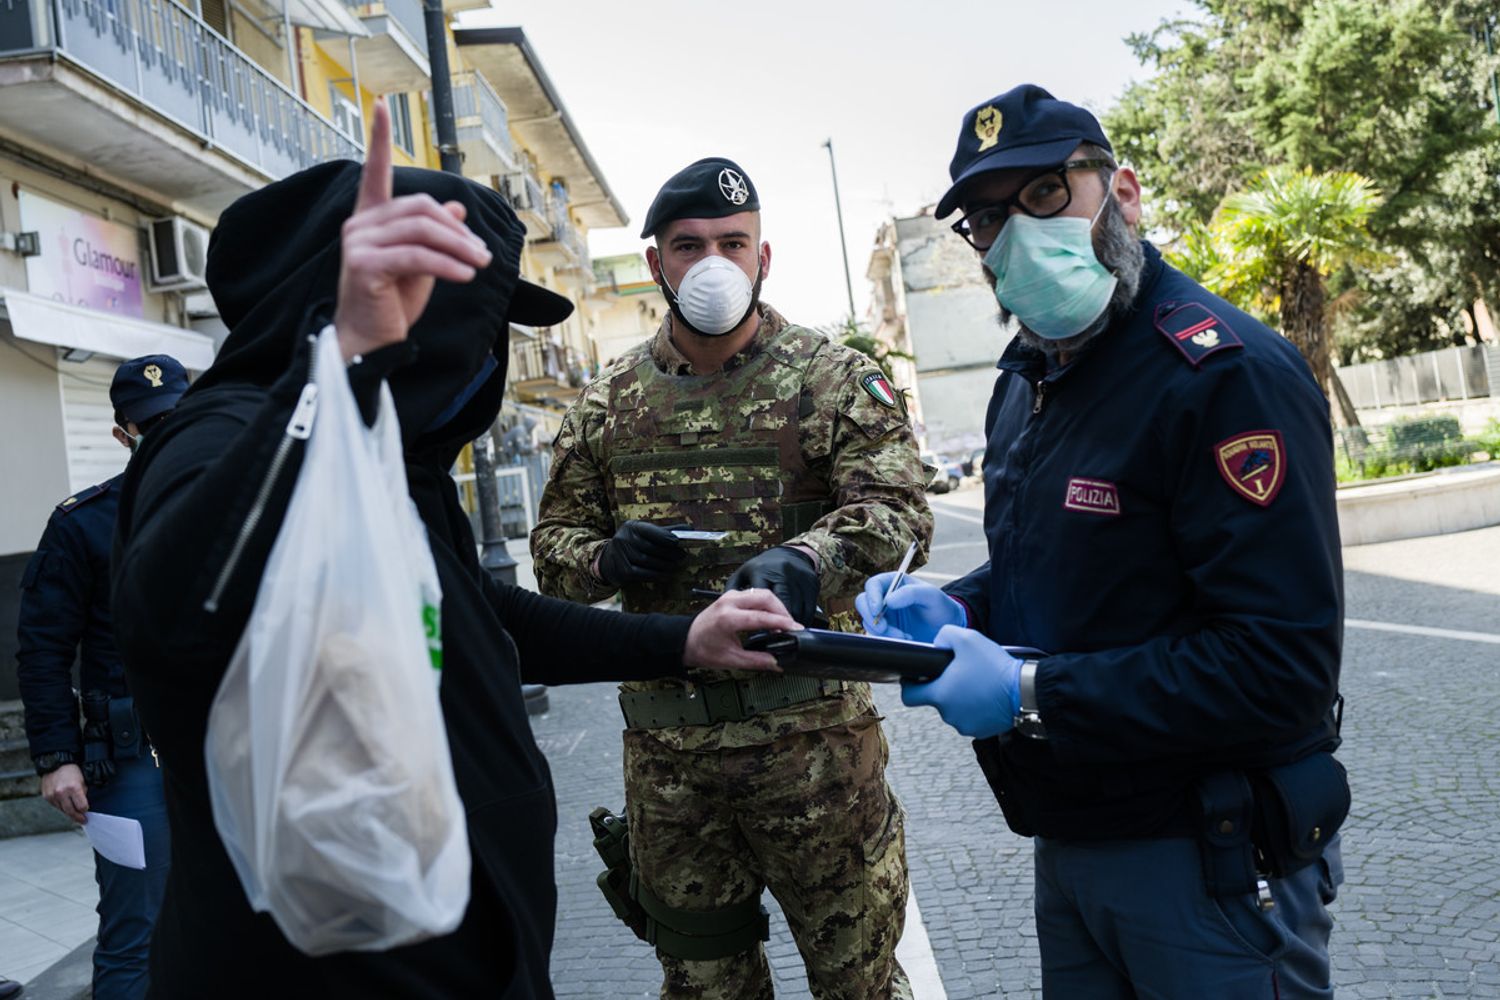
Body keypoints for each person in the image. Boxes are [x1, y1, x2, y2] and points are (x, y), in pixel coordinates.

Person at [108, 101, 799, 999]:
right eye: (479, 321)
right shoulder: (232, 434)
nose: (491, 356)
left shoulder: (393, 458)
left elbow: (484, 617)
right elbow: (171, 616)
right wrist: (343, 363)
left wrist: (682, 639)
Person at [859, 84, 1347, 998]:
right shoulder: (1029, 378)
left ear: (1120, 194)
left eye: (1045, 194)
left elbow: (1280, 665)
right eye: (988, 220)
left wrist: (1027, 688)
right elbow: (1064, 558)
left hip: (1211, 859)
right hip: (1073, 835)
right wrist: (956, 606)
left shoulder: (1224, 376)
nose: (1016, 237)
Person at [531, 157, 932, 999]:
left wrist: (809, 559)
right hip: (670, 766)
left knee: (858, 986)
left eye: (731, 242)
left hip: (815, 750)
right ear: (655, 264)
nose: (711, 261)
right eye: (688, 244)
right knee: (706, 989)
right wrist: (605, 559)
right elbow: (553, 553)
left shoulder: (830, 379)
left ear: (763, 257)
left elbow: (901, 514)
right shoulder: (603, 406)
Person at [16, 353, 186, 999]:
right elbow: (42, 650)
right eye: (151, 423)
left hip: (230, 747)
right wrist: (57, 757)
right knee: (134, 931)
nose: (165, 431)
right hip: (131, 755)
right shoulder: (81, 523)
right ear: (124, 435)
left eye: (177, 416)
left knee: (248, 913)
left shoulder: (241, 500)